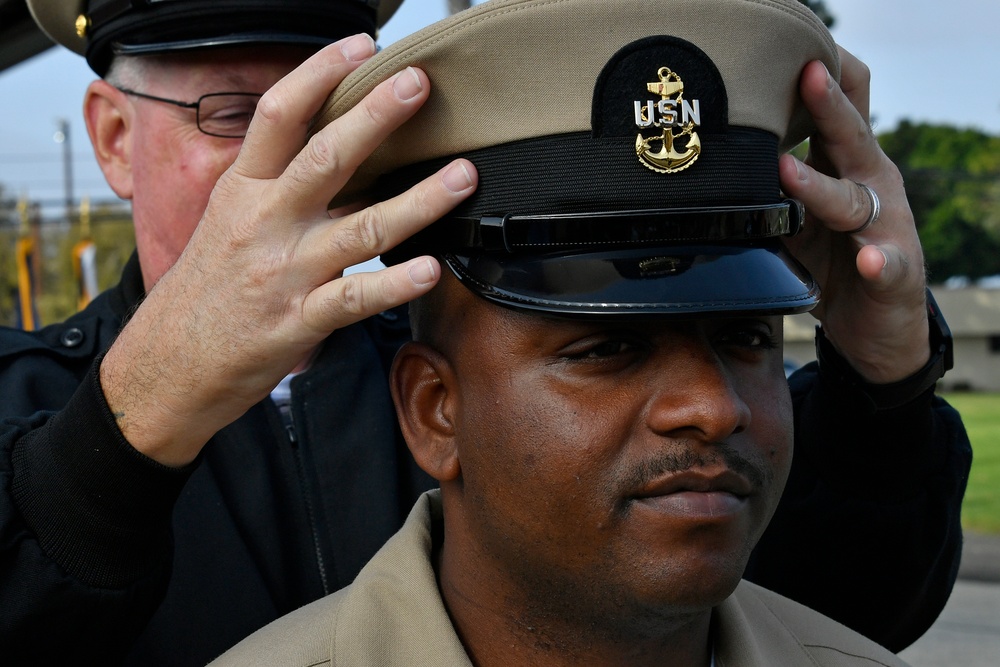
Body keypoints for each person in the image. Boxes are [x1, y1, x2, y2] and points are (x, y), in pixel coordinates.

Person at [0, 0, 969, 664]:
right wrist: (131, 422)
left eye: (335, 120)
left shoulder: (489, 364)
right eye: (239, 115)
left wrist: (883, 382)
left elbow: (812, 609)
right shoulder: (26, 414)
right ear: (114, 139)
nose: (294, 166)